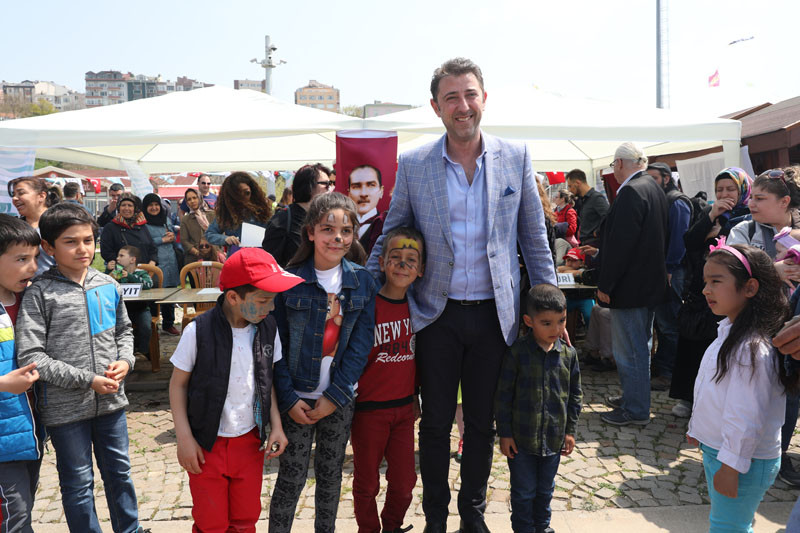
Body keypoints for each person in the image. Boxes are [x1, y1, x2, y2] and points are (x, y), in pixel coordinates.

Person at [367, 58, 556, 533]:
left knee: (481, 424)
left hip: (496, 317)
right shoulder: (414, 164)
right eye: (451, 97)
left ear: (484, 99)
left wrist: (552, 308)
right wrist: (361, 293)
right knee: (433, 424)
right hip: (436, 315)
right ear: (436, 107)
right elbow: (393, 232)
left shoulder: (515, 156)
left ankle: (472, 515)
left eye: (470, 94)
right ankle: (436, 517)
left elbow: (534, 238)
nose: (462, 105)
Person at [15, 203, 145, 533]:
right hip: (65, 410)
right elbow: (32, 356)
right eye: (70, 242)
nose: (82, 249)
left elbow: (124, 331)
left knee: (120, 473)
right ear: (48, 247)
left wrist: (126, 361)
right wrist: (88, 380)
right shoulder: (39, 293)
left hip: (112, 403)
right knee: (78, 483)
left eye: (88, 240)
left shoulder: (108, 284)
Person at [169, 248, 300, 532]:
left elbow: (267, 381)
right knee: (211, 521)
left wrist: (276, 426)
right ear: (233, 297)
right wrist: (184, 438)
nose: (271, 308)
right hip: (206, 444)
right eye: (263, 301)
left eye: (273, 301)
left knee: (245, 517)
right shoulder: (198, 331)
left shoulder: (268, 328)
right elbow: (178, 385)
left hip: (249, 443)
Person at [269, 192, 377, 533]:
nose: (337, 238)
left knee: (331, 476)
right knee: (291, 476)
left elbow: (361, 345)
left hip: (338, 399)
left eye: (346, 231)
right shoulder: (290, 281)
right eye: (328, 229)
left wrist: (336, 395)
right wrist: (288, 398)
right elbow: (276, 347)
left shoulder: (362, 281)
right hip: (297, 398)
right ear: (311, 232)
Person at [687, 242, 796, 532]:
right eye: (705, 282)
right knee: (730, 524)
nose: (706, 290)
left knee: (728, 527)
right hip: (724, 453)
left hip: (741, 460)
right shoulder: (730, 332)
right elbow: (713, 390)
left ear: (749, 287)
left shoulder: (751, 349)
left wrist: (731, 467)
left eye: (716, 281)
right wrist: (699, 429)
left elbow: (746, 415)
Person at [351, 226, 424, 533]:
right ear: (381, 262)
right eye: (396, 257)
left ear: (421, 269)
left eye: (411, 259)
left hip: (404, 410)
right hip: (369, 410)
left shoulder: (420, 310)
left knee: (405, 481)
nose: (403, 265)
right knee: (367, 482)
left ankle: (392, 525)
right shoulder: (367, 307)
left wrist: (416, 396)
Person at [495, 283, 582, 533]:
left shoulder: (569, 355)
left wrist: (570, 431)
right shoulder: (517, 353)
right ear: (529, 321)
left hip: (553, 441)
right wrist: (505, 433)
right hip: (521, 442)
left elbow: (575, 396)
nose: (556, 329)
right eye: (547, 323)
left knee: (546, 490)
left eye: (561, 321)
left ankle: (542, 528)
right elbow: (503, 396)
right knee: (523, 493)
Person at [668, 167, 751, 419]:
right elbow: (689, 241)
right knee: (692, 346)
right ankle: (687, 397)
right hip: (700, 291)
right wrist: (711, 216)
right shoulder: (709, 214)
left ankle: (712, 404)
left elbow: (737, 252)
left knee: (716, 348)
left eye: (730, 189)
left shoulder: (748, 216)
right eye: (719, 190)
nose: (724, 194)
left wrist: (719, 232)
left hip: (729, 294)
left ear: (742, 190)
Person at [597, 142, 668, 427]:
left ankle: (636, 408)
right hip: (647, 284)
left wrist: (606, 284)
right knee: (639, 346)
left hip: (630, 287)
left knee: (630, 350)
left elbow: (620, 246)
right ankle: (633, 397)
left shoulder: (631, 191)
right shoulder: (653, 187)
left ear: (619, 164)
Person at [0, 214, 43, 533]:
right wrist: (3, 383)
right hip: (4, 442)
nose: (32, 267)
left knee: (23, 508)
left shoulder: (28, 300)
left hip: (29, 433)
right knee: (15, 518)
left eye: (35, 258)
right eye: (21, 259)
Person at [645, 162, 692, 391]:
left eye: (654, 178)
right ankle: (663, 367)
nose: (650, 183)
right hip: (662, 270)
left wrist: (670, 268)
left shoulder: (677, 201)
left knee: (669, 324)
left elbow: (679, 239)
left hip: (673, 271)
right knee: (662, 323)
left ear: (666, 178)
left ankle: (668, 373)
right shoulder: (661, 199)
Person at [262, 163, 333, 266]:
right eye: (326, 184)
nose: (330, 189)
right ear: (308, 186)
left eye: (331, 184)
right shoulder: (282, 220)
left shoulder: (326, 218)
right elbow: (270, 263)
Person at [206, 172, 272, 254]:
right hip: (236, 257)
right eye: (238, 195)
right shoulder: (226, 213)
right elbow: (210, 234)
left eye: (247, 193)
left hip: (260, 256)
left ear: (253, 192)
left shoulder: (262, 211)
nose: (243, 198)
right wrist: (226, 239)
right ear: (231, 197)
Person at [143, 193, 181, 336]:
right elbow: (144, 242)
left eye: (156, 205)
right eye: (150, 205)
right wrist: (162, 240)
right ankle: (153, 325)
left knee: (170, 293)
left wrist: (171, 236)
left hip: (170, 260)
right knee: (154, 294)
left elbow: (170, 234)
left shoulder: (165, 219)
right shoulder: (143, 223)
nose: (154, 208)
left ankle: (168, 324)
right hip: (155, 262)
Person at [107, 245, 153, 359]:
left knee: (146, 326)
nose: (117, 258)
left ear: (132, 259)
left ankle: (143, 351)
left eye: (121, 256)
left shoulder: (141, 273)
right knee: (113, 327)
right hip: (121, 310)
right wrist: (108, 271)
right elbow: (105, 284)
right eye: (118, 256)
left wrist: (130, 276)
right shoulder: (117, 273)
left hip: (140, 309)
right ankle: (120, 353)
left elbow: (148, 284)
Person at [9, 176, 60, 275]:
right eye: (14, 194)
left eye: (21, 193)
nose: (14, 198)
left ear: (41, 196)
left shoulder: (60, 224)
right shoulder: (14, 228)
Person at [100, 193, 158, 267]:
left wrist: (152, 262)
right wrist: (118, 262)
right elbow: (106, 251)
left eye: (130, 205)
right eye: (123, 205)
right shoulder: (110, 227)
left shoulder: (142, 226)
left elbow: (152, 248)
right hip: (121, 269)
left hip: (144, 269)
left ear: (135, 208)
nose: (126, 208)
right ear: (118, 208)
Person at [348, 164, 386, 256]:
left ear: (381, 191)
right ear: (349, 193)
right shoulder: (342, 223)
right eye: (356, 186)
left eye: (371, 185)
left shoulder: (385, 225)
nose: (363, 194)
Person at [566, 169, 609, 247]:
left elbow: (609, 217)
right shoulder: (582, 200)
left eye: (570, 186)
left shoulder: (596, 198)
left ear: (577, 183)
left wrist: (597, 232)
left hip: (594, 244)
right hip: (585, 243)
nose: (569, 190)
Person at [179, 188, 216, 265]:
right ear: (187, 203)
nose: (192, 201)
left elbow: (219, 234)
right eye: (189, 199)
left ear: (200, 198)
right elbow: (184, 241)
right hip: (194, 260)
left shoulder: (212, 215)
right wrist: (198, 253)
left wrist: (213, 251)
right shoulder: (186, 219)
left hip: (214, 257)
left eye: (195, 198)